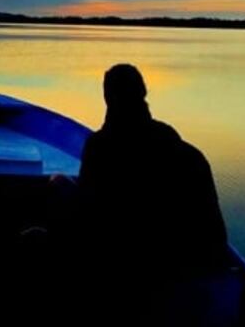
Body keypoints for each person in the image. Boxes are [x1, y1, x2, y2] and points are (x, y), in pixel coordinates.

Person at [77, 64, 229, 321]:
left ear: (107, 98)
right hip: (186, 273)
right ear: (144, 93)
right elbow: (215, 237)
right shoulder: (188, 154)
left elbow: (85, 216)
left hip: (125, 274)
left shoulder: (99, 149)